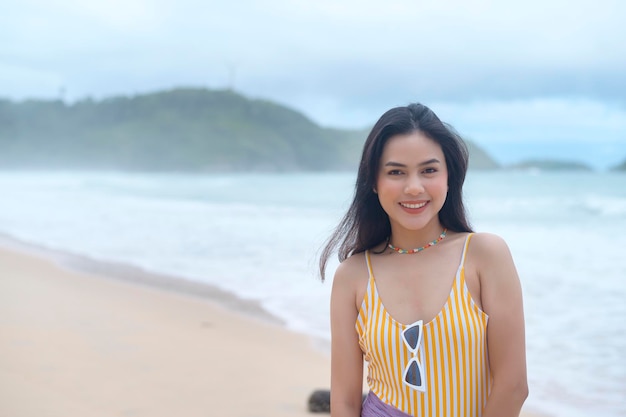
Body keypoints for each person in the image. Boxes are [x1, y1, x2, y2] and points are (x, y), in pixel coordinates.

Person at [319, 103, 528, 417]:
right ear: (374, 182)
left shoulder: (484, 256)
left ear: (449, 177)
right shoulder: (353, 276)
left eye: (429, 170)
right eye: (396, 172)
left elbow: (513, 386)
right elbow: (345, 402)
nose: (413, 187)